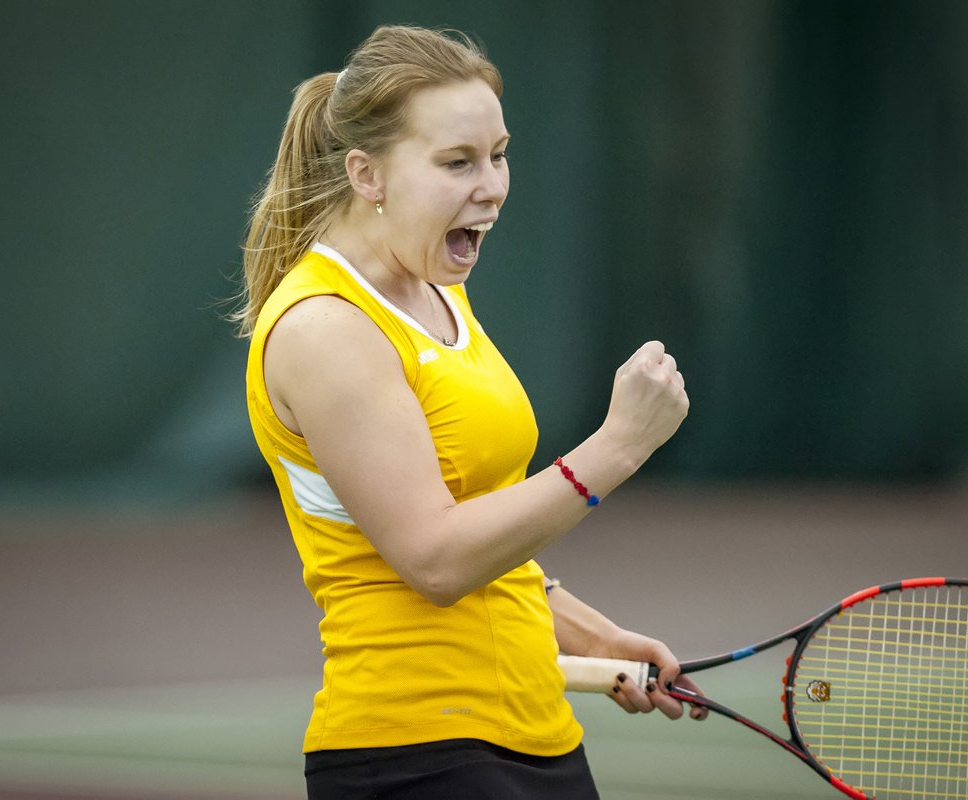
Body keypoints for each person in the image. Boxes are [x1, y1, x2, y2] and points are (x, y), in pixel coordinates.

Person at [235, 24, 705, 799]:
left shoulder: (437, 288)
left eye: (499, 154)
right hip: (415, 753)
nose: (491, 186)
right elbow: (436, 558)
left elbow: (480, 520)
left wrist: (591, 635)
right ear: (367, 174)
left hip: (535, 734)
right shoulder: (326, 328)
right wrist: (617, 447)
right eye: (457, 162)